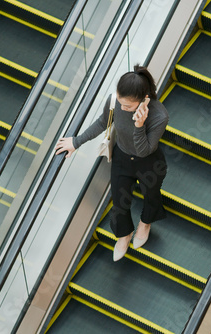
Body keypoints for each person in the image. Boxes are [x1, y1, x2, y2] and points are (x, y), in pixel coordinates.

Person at [55, 65, 169, 261]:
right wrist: (76, 141)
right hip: (122, 158)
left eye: (128, 106)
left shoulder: (159, 116)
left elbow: (144, 150)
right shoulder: (114, 101)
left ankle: (146, 222)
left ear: (144, 100)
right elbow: (102, 122)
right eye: (120, 102)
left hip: (148, 162)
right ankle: (124, 235)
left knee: (151, 195)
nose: (122, 108)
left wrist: (139, 125)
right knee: (119, 202)